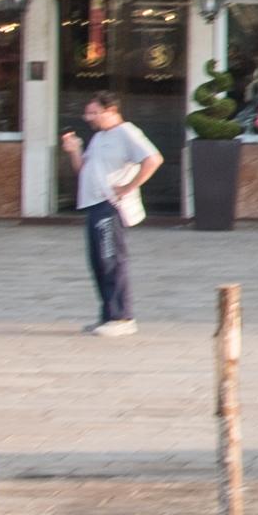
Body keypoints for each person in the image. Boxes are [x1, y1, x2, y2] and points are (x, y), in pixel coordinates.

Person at [69, 90, 161, 336]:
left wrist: (128, 187)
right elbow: (84, 170)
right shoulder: (99, 137)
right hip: (93, 204)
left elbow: (153, 159)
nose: (88, 117)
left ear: (111, 111)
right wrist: (74, 150)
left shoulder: (127, 133)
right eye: (87, 113)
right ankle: (108, 315)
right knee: (98, 261)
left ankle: (122, 318)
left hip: (111, 206)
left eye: (94, 112)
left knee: (112, 260)